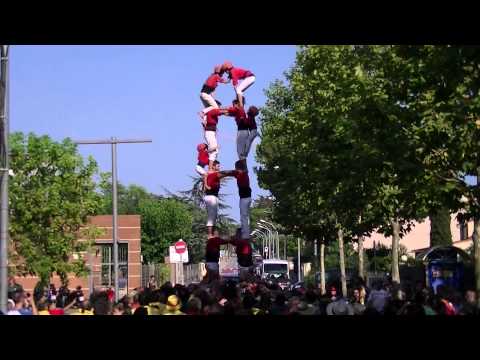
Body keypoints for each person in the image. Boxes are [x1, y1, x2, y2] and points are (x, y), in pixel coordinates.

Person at [204, 161, 236, 236]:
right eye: (218, 166)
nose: (219, 168)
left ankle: (211, 234)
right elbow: (224, 173)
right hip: (211, 197)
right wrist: (234, 172)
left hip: (211, 196)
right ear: (213, 166)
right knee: (211, 217)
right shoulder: (214, 174)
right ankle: (209, 235)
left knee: (213, 216)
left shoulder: (210, 175)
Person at [201, 106, 229, 170]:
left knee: (215, 151)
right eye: (218, 106)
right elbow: (223, 112)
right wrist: (231, 110)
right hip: (209, 132)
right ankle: (210, 168)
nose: (219, 107)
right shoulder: (212, 111)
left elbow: (223, 112)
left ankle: (212, 167)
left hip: (211, 133)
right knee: (214, 150)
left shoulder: (211, 113)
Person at [232, 160, 252, 239]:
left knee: (243, 216)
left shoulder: (240, 174)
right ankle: (246, 232)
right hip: (248, 197)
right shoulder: (245, 173)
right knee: (246, 216)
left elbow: (231, 173)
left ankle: (245, 234)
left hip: (244, 198)